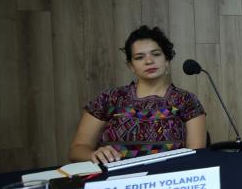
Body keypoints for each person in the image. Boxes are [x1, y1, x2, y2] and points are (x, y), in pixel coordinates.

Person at [68, 26, 207, 163]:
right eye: (139, 57)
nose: (149, 61)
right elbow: (77, 150)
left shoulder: (186, 100)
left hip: (170, 175)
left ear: (167, 60)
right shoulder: (109, 98)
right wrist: (94, 155)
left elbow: (197, 155)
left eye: (156, 54)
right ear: (131, 66)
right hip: (116, 176)